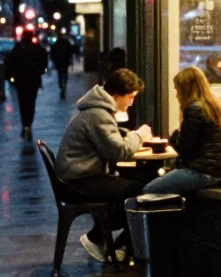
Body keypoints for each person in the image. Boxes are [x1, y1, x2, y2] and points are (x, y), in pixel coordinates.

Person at [55, 67, 152, 262]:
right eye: (130, 97)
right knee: (141, 192)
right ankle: (102, 240)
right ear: (117, 95)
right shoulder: (99, 114)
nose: (132, 103)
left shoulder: (96, 109)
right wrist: (139, 134)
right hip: (78, 182)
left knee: (128, 189)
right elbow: (119, 152)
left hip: (76, 176)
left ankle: (109, 240)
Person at [142, 66, 221, 195]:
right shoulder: (213, 106)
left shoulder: (194, 108)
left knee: (149, 189)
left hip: (201, 172)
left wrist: (174, 136)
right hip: (216, 171)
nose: (176, 94)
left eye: (177, 89)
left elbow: (183, 148)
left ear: (185, 89)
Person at [5, 30, 49, 140]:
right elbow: (43, 62)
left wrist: (11, 76)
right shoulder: (37, 49)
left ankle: (25, 124)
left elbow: (9, 62)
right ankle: (28, 124)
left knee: (23, 103)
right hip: (32, 80)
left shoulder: (18, 49)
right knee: (31, 103)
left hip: (21, 81)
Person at [50, 32, 74, 101]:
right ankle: (64, 85)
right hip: (64, 62)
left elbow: (52, 54)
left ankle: (62, 86)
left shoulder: (56, 44)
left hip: (59, 62)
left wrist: (54, 60)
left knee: (60, 75)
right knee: (64, 74)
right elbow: (70, 52)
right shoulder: (66, 43)